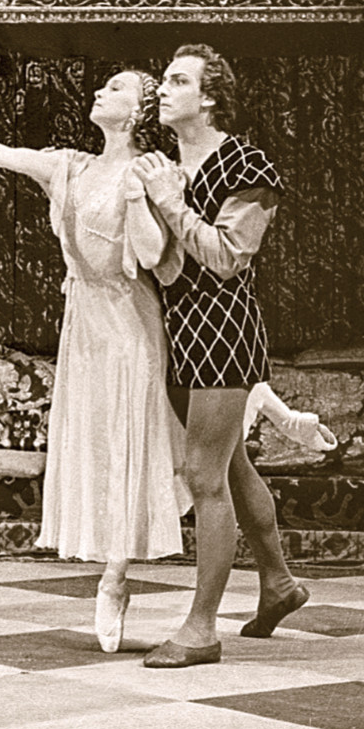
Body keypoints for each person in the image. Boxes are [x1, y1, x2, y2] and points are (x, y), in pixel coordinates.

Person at [0, 70, 190, 654]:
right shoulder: (70, 166)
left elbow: (154, 256)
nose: (100, 92)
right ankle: (109, 561)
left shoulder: (151, 170)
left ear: (137, 112)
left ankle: (115, 576)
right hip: (85, 320)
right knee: (92, 439)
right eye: (102, 86)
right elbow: (3, 153)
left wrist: (136, 196)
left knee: (128, 437)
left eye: (116, 89)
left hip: (130, 321)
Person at [132, 43, 316, 668]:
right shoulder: (162, 164)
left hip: (223, 332)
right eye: (163, 79)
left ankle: (200, 629)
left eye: (177, 80)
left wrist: (170, 200)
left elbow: (228, 257)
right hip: (177, 333)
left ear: (209, 97)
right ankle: (279, 584)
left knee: (205, 478)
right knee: (233, 469)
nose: (163, 89)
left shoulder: (247, 164)